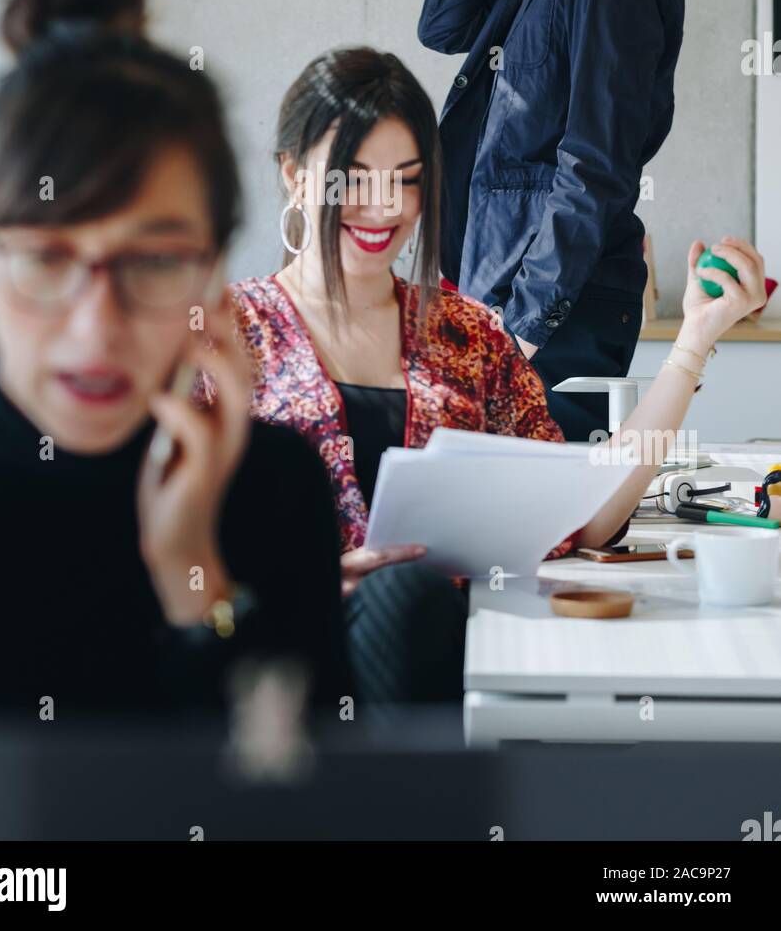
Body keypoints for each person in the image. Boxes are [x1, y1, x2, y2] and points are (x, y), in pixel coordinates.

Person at [194, 46, 765, 705]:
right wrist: (310, 585)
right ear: (295, 176)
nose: (382, 208)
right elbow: (167, 545)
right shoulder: (227, 335)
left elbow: (586, 518)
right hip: (288, 669)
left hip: (460, 663)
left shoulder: (467, 333)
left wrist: (693, 340)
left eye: (406, 179)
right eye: (351, 179)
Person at [0, 0, 350, 721]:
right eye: (47, 259)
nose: (97, 326)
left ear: (214, 273)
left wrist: (194, 574)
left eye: (153, 260)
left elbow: (297, 804)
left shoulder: (274, 491)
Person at [418, 0, 711, 439]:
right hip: (499, 289)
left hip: (544, 311)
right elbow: (444, 26)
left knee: (550, 544)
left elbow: (598, 163)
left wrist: (523, 329)